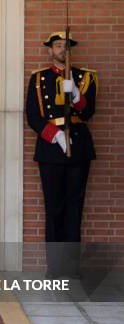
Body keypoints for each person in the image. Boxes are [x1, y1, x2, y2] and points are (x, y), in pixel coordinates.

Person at [25, 32, 97, 277]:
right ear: (50, 50)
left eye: (66, 46)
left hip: (78, 148)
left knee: (74, 209)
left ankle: (72, 269)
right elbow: (33, 116)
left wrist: (76, 94)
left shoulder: (85, 77)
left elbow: (88, 114)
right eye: (57, 45)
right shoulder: (38, 79)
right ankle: (54, 269)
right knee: (54, 209)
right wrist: (54, 135)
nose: (62, 50)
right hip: (51, 149)